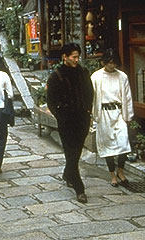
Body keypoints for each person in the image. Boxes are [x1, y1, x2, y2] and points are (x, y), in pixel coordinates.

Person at [46, 42, 94, 203]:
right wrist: (60, 115)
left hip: (82, 118)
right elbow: (50, 100)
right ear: (64, 57)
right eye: (74, 57)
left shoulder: (83, 72)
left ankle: (68, 173)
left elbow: (90, 93)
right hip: (66, 120)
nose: (76, 59)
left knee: (77, 150)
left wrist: (88, 110)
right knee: (70, 150)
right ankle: (79, 188)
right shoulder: (56, 76)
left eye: (78, 56)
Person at [91, 49, 134, 187]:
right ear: (104, 62)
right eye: (109, 62)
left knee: (123, 144)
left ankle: (121, 171)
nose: (112, 65)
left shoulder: (122, 77)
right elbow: (92, 98)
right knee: (107, 145)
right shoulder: (96, 77)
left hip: (118, 112)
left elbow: (127, 97)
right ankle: (112, 175)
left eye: (114, 62)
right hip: (104, 113)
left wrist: (128, 116)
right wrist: (94, 116)